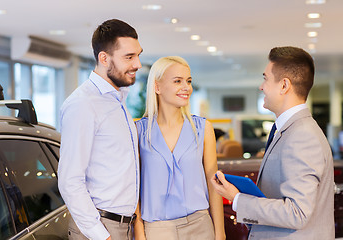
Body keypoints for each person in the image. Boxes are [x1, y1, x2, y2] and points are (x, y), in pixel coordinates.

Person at [211, 46, 334, 239]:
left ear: (284, 85)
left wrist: (237, 199)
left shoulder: (302, 135)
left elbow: (297, 213)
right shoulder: (289, 130)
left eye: (265, 78)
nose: (261, 87)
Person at [58, 19, 143, 240]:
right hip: (101, 228)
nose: (138, 64)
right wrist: (101, 236)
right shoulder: (83, 104)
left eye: (138, 55)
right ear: (104, 58)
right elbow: (70, 180)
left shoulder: (118, 99)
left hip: (124, 225)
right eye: (129, 57)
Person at [134, 56, 225, 240]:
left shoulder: (202, 128)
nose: (187, 87)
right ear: (157, 87)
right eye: (177, 81)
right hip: (157, 230)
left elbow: (213, 183)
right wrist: (139, 233)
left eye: (188, 81)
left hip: (200, 225)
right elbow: (133, 188)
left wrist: (220, 233)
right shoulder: (139, 132)